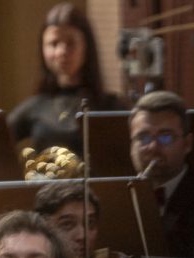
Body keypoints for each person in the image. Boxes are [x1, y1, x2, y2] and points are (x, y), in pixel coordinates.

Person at [128, 90, 194, 258]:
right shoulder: (116, 199)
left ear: (187, 144)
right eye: (143, 138)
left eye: (165, 137)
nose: (153, 147)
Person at [7, 2, 123, 155]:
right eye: (53, 44)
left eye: (70, 43)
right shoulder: (33, 108)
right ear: (42, 49)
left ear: (86, 46)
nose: (62, 51)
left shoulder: (112, 107)